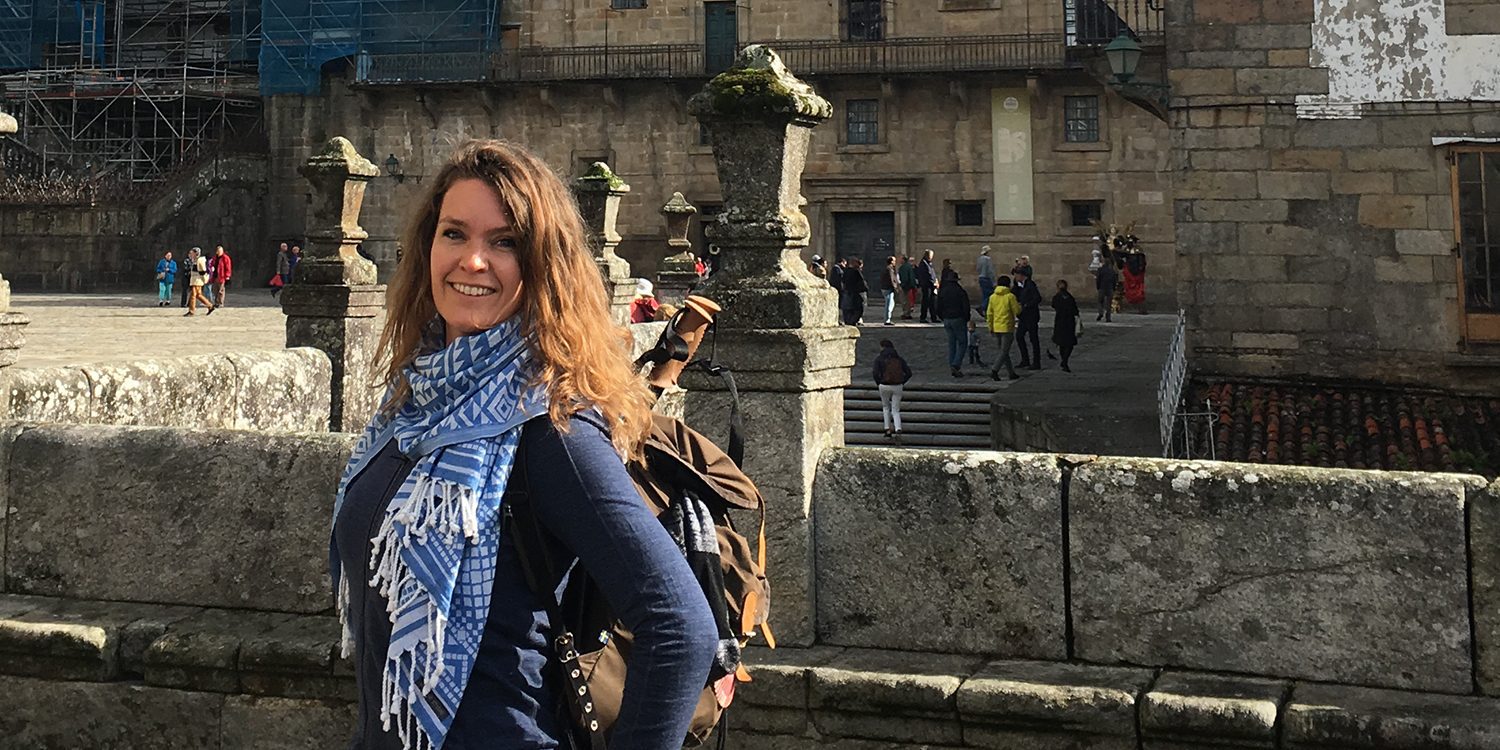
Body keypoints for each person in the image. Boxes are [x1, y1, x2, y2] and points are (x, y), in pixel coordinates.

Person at [331, 139, 717, 750]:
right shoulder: (414, 400)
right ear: (427, 246)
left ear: (543, 264)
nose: (472, 261)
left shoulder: (551, 429)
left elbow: (681, 626)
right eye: (454, 234)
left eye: (505, 242)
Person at [871, 339, 911, 441]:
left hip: (884, 385)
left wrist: (879, 382)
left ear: (882, 347)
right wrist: (902, 382)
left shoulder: (879, 359)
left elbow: (875, 373)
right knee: (896, 409)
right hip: (897, 386)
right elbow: (908, 373)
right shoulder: (899, 359)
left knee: (886, 407)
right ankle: (898, 428)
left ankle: (887, 429)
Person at [935, 268, 972, 378]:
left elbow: (938, 305)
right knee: (962, 342)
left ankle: (952, 364)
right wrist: (966, 318)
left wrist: (942, 316)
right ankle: (956, 364)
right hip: (958, 318)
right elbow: (966, 306)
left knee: (952, 343)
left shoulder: (943, 291)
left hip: (947, 319)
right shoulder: (960, 291)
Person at [987, 275, 1022, 381]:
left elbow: (989, 313)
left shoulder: (993, 297)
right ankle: (995, 369)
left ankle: (1011, 373)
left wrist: (990, 326)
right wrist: (1020, 306)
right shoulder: (1010, 296)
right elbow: (1017, 311)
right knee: (1004, 351)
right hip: (1007, 327)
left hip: (996, 327)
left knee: (1003, 351)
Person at [1013, 266, 1042, 370]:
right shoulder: (1018, 285)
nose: (1015, 277)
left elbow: (1037, 298)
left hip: (1031, 316)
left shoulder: (1030, 285)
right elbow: (1014, 294)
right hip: (1023, 316)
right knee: (1019, 336)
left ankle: (1036, 362)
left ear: (1022, 275)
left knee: (1033, 339)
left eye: (1017, 275)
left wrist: (1026, 305)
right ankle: (1025, 360)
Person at [1052, 279, 1080, 373]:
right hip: (1069, 322)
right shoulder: (1070, 297)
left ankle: (1064, 360)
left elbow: (1054, 305)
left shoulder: (1057, 297)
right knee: (1069, 344)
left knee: (1062, 343)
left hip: (1060, 322)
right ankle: (1065, 360)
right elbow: (1075, 310)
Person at [183, 247, 215, 316]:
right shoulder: (194, 260)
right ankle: (210, 306)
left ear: (196, 253)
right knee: (198, 295)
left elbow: (202, 271)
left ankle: (191, 311)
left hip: (197, 280)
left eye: (192, 252)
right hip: (195, 279)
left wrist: (203, 278)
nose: (191, 254)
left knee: (193, 295)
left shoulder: (199, 260)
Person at [840, 257, 868, 326]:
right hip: (856, 293)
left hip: (847, 291)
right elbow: (862, 282)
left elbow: (843, 281)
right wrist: (865, 289)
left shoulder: (845, 271)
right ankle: (852, 321)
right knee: (858, 309)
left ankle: (848, 321)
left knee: (847, 309)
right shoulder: (856, 271)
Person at [915, 249, 937, 323]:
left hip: (931, 285)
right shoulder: (923, 264)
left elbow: (932, 274)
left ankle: (933, 317)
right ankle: (923, 317)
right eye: (931, 255)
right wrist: (933, 282)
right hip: (927, 286)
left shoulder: (929, 263)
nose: (932, 257)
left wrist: (935, 281)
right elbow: (927, 275)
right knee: (926, 302)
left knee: (932, 302)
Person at [1123, 249, 1148, 313]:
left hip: (1137, 280)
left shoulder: (1130, 265)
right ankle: (1142, 309)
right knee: (1139, 295)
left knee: (1139, 295)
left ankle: (1142, 309)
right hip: (1137, 280)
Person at [1095, 253, 1118, 322]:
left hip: (1102, 287)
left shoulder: (1100, 270)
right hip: (1110, 288)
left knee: (1100, 301)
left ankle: (1101, 312)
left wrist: (1098, 286)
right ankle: (1108, 317)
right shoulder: (1112, 271)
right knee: (1109, 303)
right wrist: (1114, 288)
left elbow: (1098, 279)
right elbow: (1114, 280)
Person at [976, 245, 996, 315]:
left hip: (981, 278)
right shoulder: (988, 259)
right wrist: (994, 281)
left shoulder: (979, 259)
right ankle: (982, 307)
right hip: (987, 278)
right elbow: (990, 271)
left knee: (984, 294)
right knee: (990, 294)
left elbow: (978, 269)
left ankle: (985, 309)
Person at [880, 255, 898, 326]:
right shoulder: (889, 269)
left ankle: (887, 319)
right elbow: (891, 279)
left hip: (885, 288)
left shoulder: (886, 268)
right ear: (891, 261)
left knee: (890, 304)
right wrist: (895, 287)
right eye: (894, 261)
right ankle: (887, 320)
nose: (895, 262)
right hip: (888, 288)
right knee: (889, 305)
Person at [897, 255, 916, 319]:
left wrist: (902, 285)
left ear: (903, 260)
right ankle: (908, 313)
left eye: (900, 259)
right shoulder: (909, 267)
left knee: (904, 300)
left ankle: (906, 313)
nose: (899, 260)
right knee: (908, 300)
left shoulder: (903, 267)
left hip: (905, 286)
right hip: (909, 286)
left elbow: (904, 277)